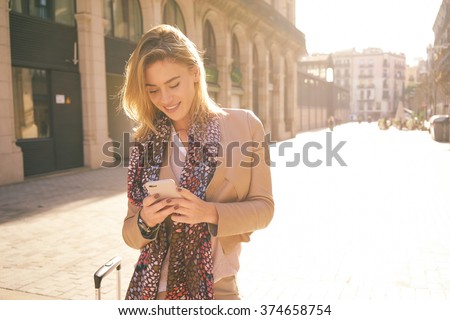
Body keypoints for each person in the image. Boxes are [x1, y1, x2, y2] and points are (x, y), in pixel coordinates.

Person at [119, 24, 274, 300]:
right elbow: (130, 234)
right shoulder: (144, 142)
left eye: (173, 84)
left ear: (195, 72)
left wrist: (209, 213)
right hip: (155, 291)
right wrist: (145, 220)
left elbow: (264, 209)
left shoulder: (245, 125)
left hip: (218, 287)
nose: (165, 99)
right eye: (153, 90)